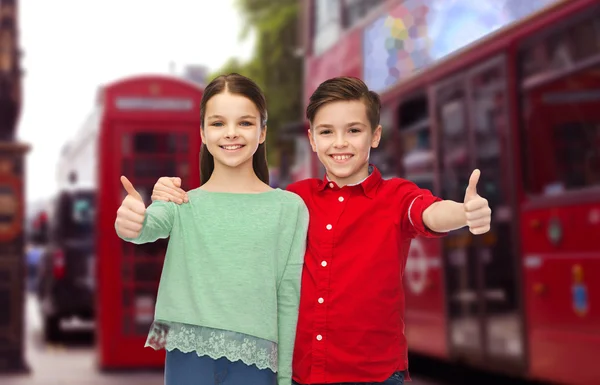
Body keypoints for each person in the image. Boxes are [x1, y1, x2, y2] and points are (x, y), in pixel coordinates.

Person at [150, 76, 492, 385]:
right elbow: (237, 221)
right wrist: (170, 194)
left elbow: (429, 213)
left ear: (375, 135)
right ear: (312, 139)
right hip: (304, 375)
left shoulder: (396, 196)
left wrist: (463, 212)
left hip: (374, 376)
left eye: (354, 131)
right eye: (327, 132)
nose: (340, 143)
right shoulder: (294, 199)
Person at [114, 73, 309, 385]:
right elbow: (145, 227)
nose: (231, 133)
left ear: (262, 133)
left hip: (258, 364)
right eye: (218, 123)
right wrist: (131, 220)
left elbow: (288, 296)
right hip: (187, 358)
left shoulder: (290, 208)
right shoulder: (179, 201)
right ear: (203, 133)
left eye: (245, 123)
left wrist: (285, 378)